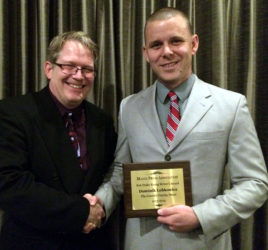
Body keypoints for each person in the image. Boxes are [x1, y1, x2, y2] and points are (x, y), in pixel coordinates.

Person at [93, 7, 268, 250]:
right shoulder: (129, 107)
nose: (166, 52)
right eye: (156, 45)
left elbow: (254, 183)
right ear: (146, 53)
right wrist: (99, 202)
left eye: (176, 41)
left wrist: (201, 216)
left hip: (203, 243)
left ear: (194, 43)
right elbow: (121, 172)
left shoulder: (231, 105)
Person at [0, 31, 117, 250]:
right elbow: (5, 185)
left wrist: (100, 207)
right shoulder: (14, 113)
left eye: (87, 69)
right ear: (49, 69)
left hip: (92, 244)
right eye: (69, 66)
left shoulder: (102, 121)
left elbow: (111, 175)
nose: (78, 75)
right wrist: (81, 212)